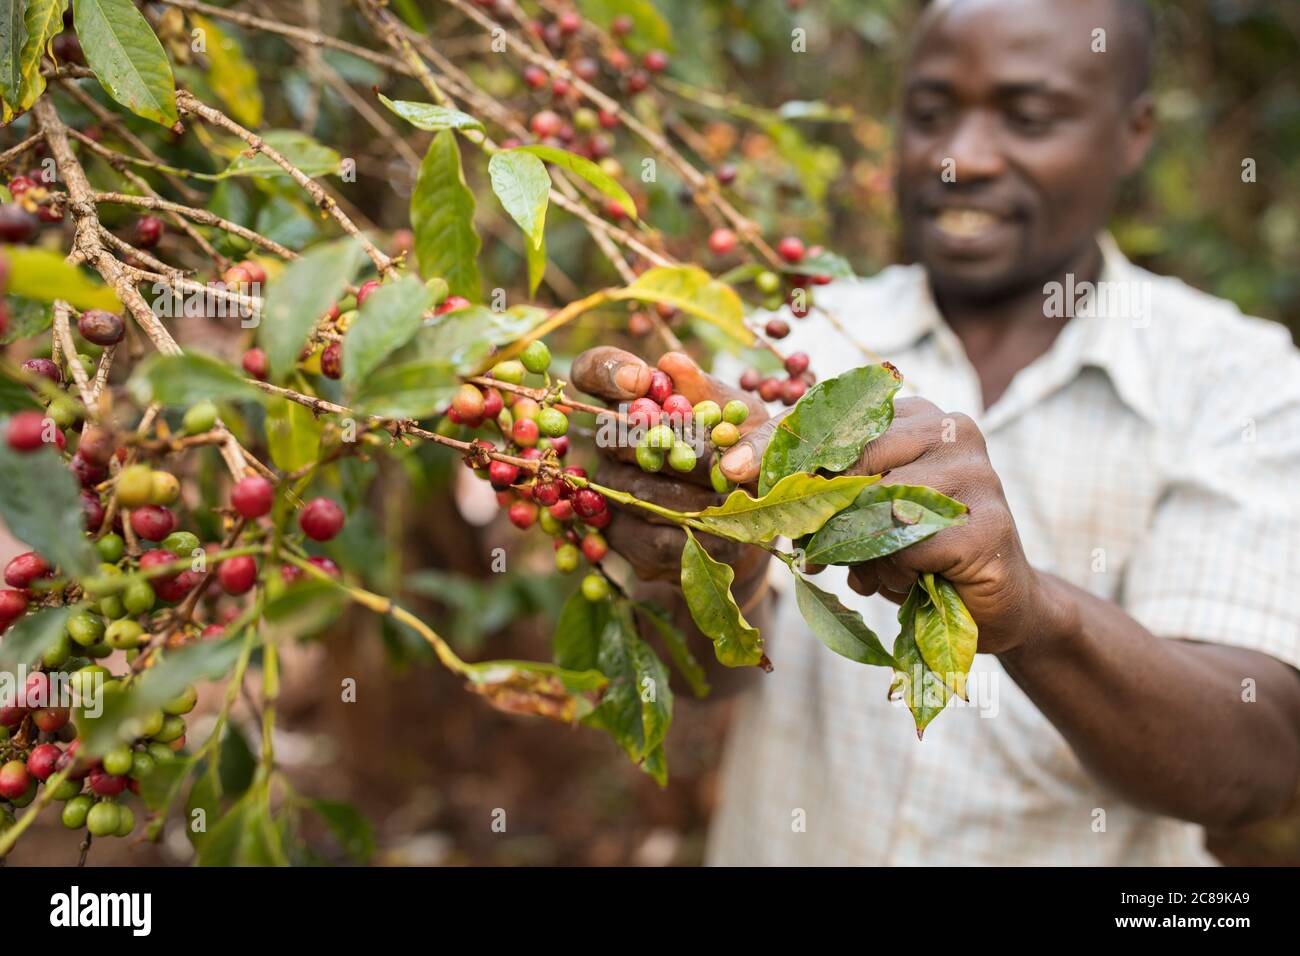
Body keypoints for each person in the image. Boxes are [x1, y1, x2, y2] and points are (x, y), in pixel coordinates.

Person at [568, 0, 1300, 865]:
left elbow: (1259, 759)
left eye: (1028, 117)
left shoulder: (1238, 380)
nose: (962, 158)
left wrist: (1033, 614)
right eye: (929, 114)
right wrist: (704, 550)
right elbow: (703, 674)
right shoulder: (792, 344)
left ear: (1134, 131)